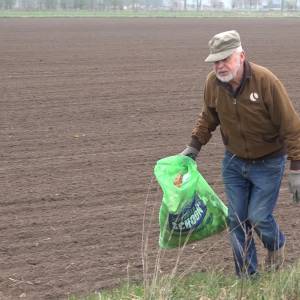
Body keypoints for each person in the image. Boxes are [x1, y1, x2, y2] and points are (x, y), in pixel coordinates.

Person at [181, 30, 300, 277]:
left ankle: (276, 245)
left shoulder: (265, 81)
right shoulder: (213, 83)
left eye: (226, 59)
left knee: (257, 217)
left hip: (268, 162)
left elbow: (291, 126)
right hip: (234, 162)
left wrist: (297, 168)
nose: (220, 65)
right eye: (216, 61)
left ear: (241, 56)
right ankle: (248, 278)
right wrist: (192, 148)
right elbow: (208, 117)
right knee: (235, 219)